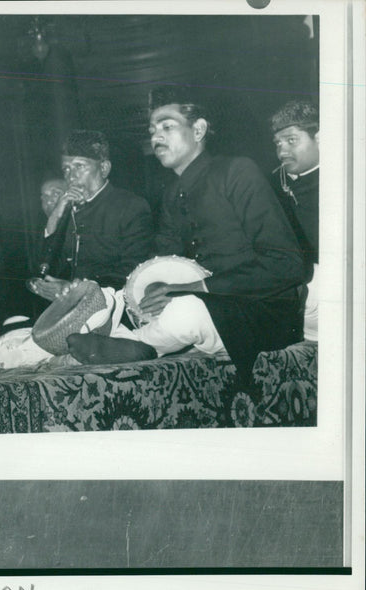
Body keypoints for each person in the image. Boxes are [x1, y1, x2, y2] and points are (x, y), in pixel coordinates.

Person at [67, 86, 306, 385]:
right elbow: (160, 262)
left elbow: (287, 264)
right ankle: (127, 338)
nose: (155, 137)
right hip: (206, 307)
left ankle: (140, 345)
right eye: (152, 130)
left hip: (263, 312)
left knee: (186, 310)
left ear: (199, 130)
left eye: (167, 126)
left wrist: (197, 287)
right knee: (122, 305)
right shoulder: (171, 195)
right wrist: (147, 295)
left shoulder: (237, 172)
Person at [28, 129, 155, 302]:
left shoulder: (131, 206)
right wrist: (54, 217)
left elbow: (134, 269)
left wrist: (77, 289)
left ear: (103, 168)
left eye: (79, 166)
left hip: (114, 307)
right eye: (66, 169)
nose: (71, 176)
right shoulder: (67, 210)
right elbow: (44, 270)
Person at [269, 100, 319, 341]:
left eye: (291, 140)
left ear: (319, 138)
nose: (282, 151)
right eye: (278, 143)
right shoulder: (269, 183)